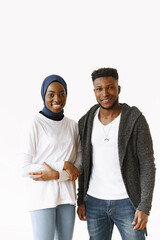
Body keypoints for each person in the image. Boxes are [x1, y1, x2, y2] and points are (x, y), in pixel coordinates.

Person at [77, 68, 155, 240]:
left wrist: (144, 206)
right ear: (94, 91)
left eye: (110, 87)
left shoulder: (135, 120)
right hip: (94, 202)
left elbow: (148, 164)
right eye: (99, 89)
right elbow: (83, 164)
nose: (105, 93)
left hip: (127, 203)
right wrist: (80, 199)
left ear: (118, 89)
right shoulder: (86, 122)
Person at [20, 74, 82, 240]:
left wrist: (57, 174)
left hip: (67, 197)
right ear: (43, 95)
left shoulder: (72, 125)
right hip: (42, 197)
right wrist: (63, 164)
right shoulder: (35, 124)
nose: (57, 99)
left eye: (62, 93)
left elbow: (79, 166)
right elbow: (24, 168)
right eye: (51, 94)